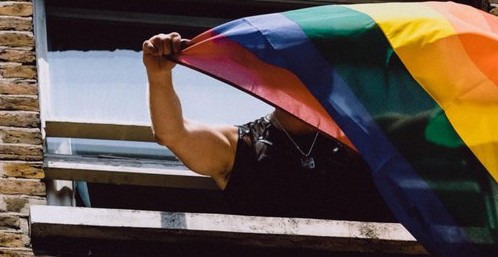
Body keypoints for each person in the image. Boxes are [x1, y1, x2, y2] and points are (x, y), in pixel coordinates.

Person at [143, 31, 392, 221]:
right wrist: (159, 77)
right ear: (271, 81)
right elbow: (173, 134)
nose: (303, 79)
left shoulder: (359, 139)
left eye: (315, 72)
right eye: (292, 71)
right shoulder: (241, 143)